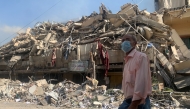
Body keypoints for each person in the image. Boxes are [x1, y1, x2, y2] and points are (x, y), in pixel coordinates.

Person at [118, 34, 152, 109]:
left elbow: (141, 83)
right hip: (128, 101)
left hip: (139, 103)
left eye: (127, 39)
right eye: (123, 40)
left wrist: (134, 105)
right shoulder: (127, 61)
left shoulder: (141, 57)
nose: (124, 42)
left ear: (135, 43)